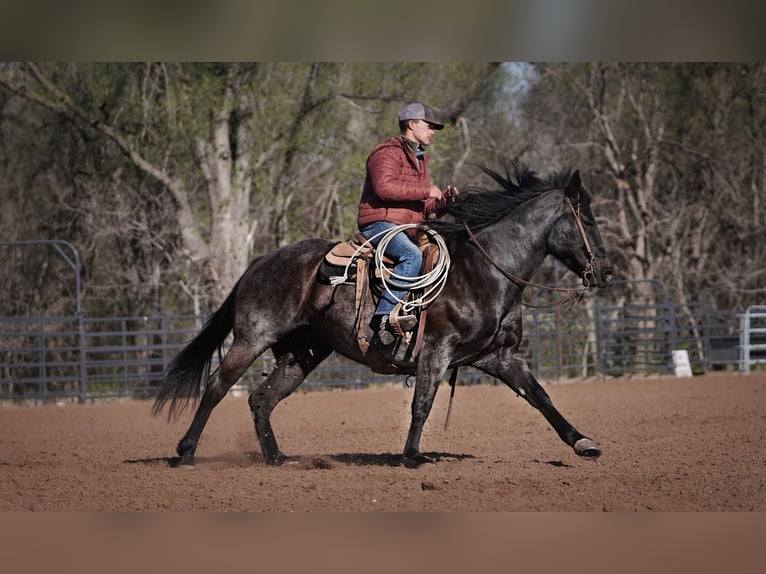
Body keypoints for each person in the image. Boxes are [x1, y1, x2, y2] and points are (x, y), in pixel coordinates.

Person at [357, 102, 458, 345]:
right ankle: (382, 319)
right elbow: (384, 188)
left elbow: (421, 207)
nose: (432, 131)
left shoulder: (420, 158)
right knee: (411, 256)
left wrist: (443, 203)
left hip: (406, 227)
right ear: (412, 124)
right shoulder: (386, 152)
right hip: (379, 223)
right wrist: (427, 189)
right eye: (429, 125)